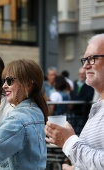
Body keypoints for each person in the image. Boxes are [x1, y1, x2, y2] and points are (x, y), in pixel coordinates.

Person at [45, 34, 104, 170]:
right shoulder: (98, 107)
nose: (85, 66)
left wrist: (69, 141)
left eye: (92, 58)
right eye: (84, 60)